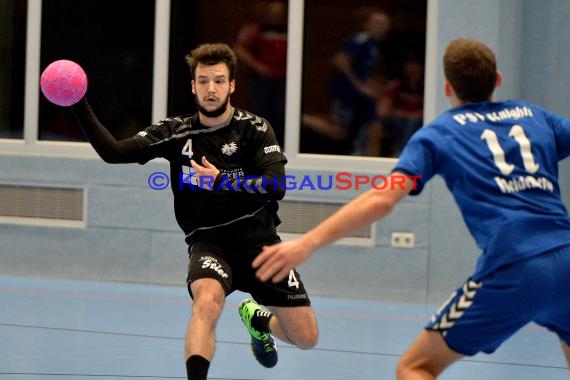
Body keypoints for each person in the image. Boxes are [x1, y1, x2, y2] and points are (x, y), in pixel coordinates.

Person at [253, 38, 570, 378]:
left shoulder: (439, 134)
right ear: (498, 79)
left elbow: (382, 198)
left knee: (415, 367)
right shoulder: (536, 118)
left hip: (514, 265)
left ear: (447, 87)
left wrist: (307, 242)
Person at [69, 43, 318, 380]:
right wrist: (78, 103)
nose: (210, 88)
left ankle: (259, 320)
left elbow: (276, 185)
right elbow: (114, 152)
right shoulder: (175, 132)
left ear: (232, 85)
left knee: (306, 337)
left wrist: (223, 179)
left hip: (261, 244)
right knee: (206, 301)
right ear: (192, 86)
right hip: (210, 243)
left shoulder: (256, 129)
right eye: (203, 81)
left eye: (218, 80)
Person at [303, 9, 391, 155]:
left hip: (361, 96)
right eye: (378, 23)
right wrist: (361, 86)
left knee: (375, 129)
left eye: (384, 23)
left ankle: (373, 169)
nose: (382, 26)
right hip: (346, 92)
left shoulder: (373, 45)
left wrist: (370, 84)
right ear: (367, 25)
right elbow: (340, 60)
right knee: (339, 132)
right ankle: (305, 119)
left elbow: (360, 70)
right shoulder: (360, 40)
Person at [234, 1, 288, 147]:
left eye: (279, 12)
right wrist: (259, 67)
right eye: (274, 12)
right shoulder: (257, 29)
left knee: (281, 115)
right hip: (263, 81)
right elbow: (239, 49)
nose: (276, 16)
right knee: (261, 114)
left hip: (284, 80)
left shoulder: (290, 30)